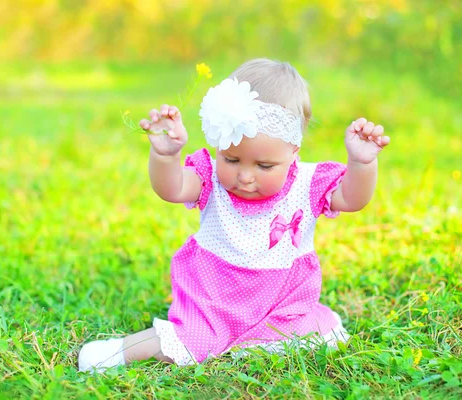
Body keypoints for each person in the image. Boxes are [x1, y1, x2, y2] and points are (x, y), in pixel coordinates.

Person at [78, 58, 390, 372]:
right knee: (188, 341)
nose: (244, 176)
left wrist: (362, 165)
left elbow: (352, 198)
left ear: (294, 151)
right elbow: (171, 189)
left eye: (264, 166)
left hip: (280, 305)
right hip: (214, 299)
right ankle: (117, 353)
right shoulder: (209, 178)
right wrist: (165, 157)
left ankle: (257, 341)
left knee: (315, 339)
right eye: (231, 158)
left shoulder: (309, 184)